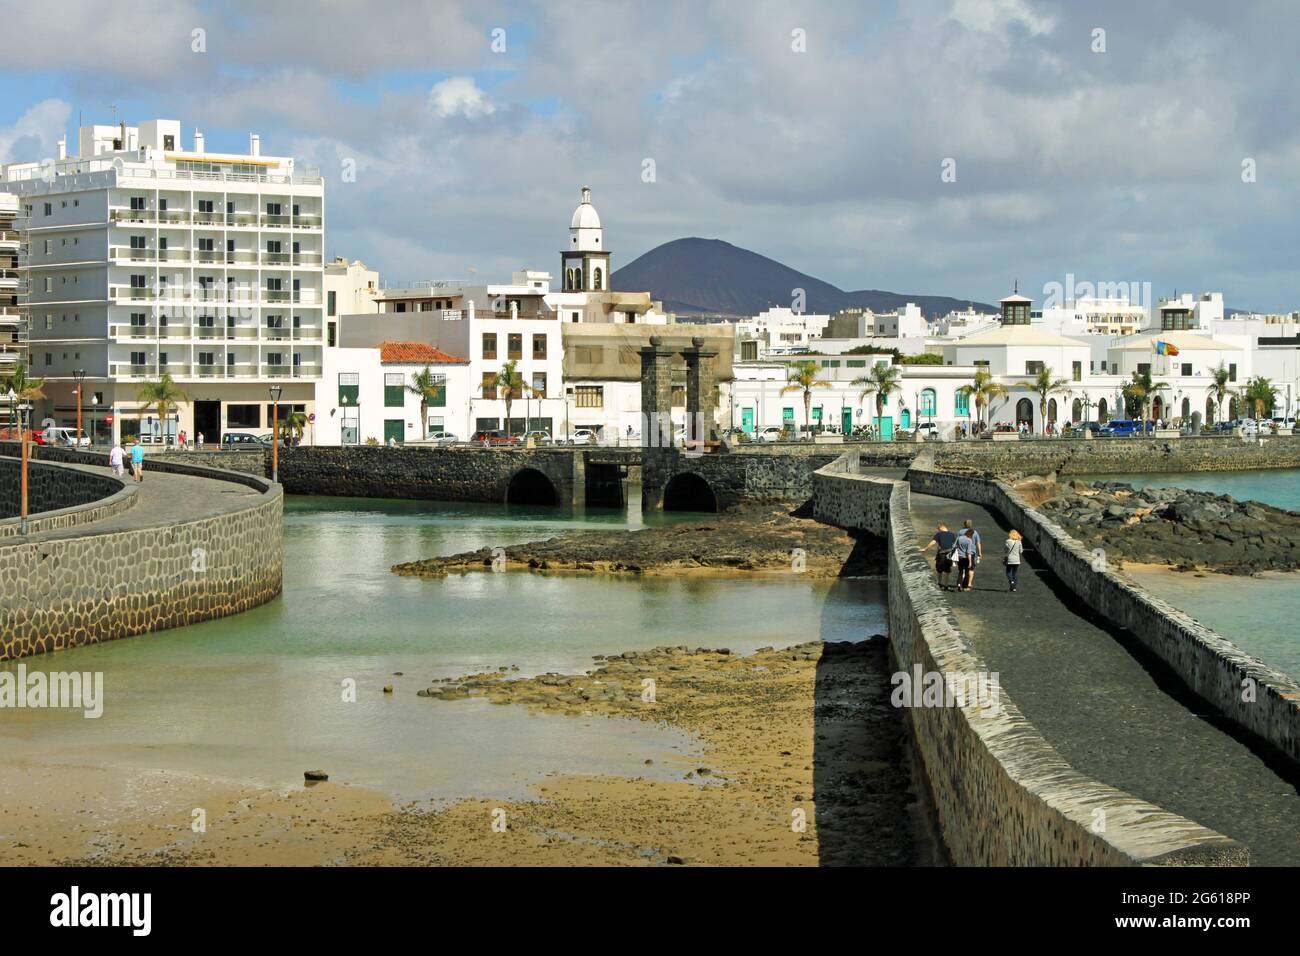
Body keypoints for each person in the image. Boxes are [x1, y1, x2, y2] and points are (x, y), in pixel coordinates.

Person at [921, 522, 959, 590]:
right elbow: (955, 545)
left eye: (938, 529)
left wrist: (925, 549)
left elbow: (933, 542)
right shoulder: (952, 534)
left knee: (939, 570)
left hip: (941, 554)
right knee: (947, 570)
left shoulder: (939, 534)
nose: (938, 530)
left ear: (941, 527)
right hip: (949, 554)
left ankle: (939, 583)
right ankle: (946, 585)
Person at [962, 519, 983, 588]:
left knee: (963, 568)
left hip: (962, 552)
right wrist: (980, 553)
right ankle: (969, 583)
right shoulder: (975, 532)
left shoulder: (960, 532)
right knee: (971, 568)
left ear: (964, 524)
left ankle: (962, 582)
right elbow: (978, 543)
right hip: (972, 552)